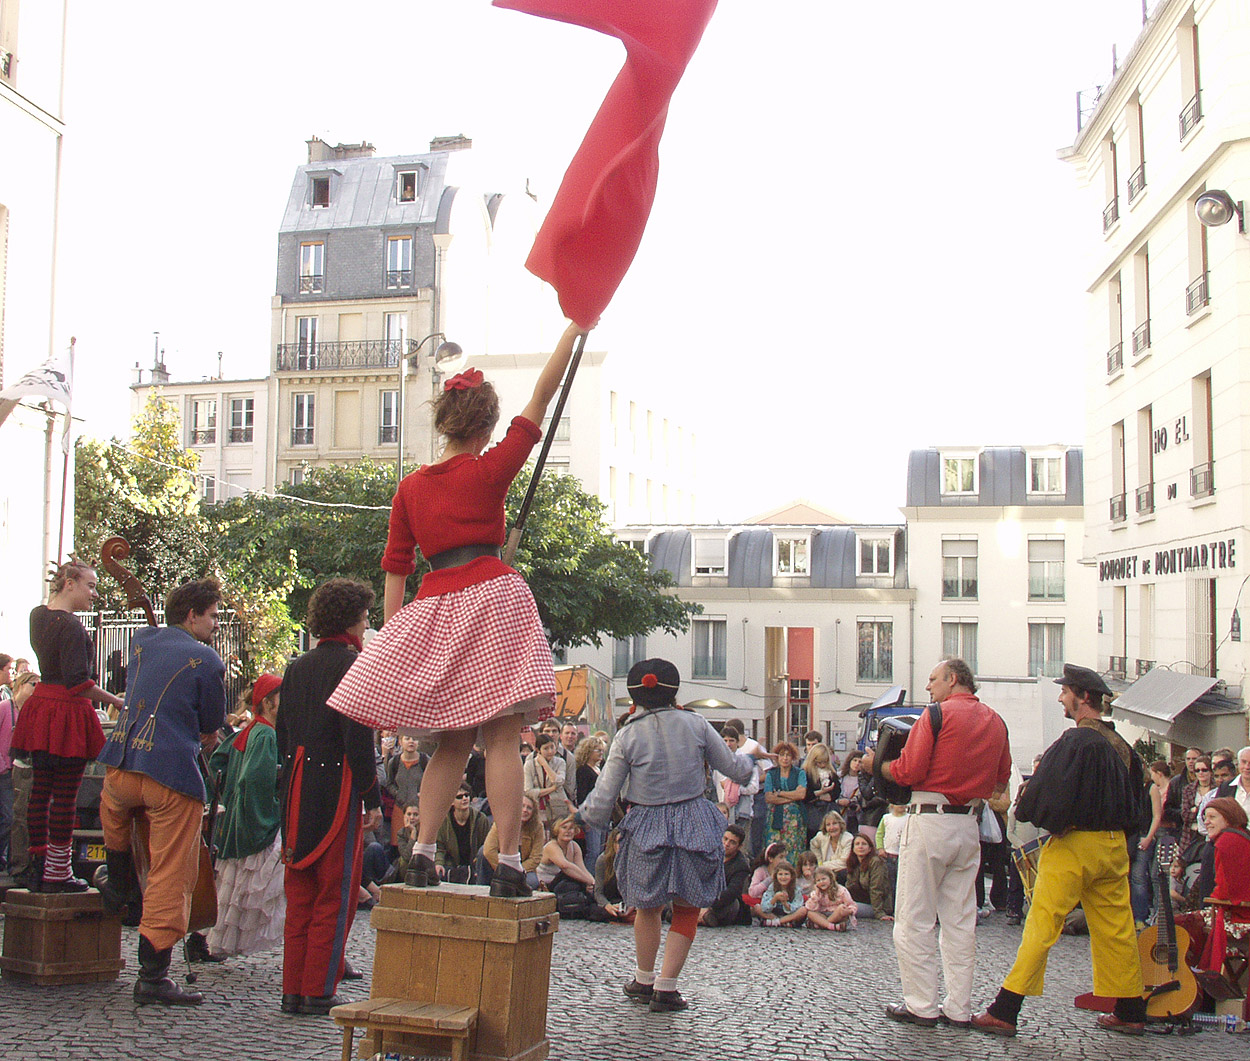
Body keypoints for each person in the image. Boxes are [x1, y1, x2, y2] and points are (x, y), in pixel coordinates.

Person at [326, 323, 590, 900]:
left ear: (445, 419)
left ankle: (421, 854)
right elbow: (541, 401)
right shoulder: (490, 471)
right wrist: (572, 330)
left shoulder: (410, 488)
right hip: (493, 598)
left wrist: (395, 637)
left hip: (435, 602)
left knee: (450, 741)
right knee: (500, 737)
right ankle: (510, 863)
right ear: (486, 424)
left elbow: (395, 569)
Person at [972, 664, 1150, 1038]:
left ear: (1083, 697)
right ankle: (1131, 1008)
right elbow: (1141, 800)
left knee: (1042, 923)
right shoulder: (1123, 747)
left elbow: (1041, 797)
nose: (1060, 698)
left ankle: (1005, 1008)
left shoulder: (1074, 742)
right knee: (1117, 929)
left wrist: (1033, 813)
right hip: (1114, 846)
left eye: (1066, 691)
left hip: (1074, 847)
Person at [577, 659, 761, 1012]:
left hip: (646, 824)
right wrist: (751, 759)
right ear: (673, 691)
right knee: (688, 906)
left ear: (636, 695)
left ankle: (644, 979)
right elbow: (733, 768)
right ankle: (667, 987)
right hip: (693, 819)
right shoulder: (697, 724)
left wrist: (586, 817)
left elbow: (604, 795)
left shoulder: (628, 733)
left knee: (647, 905)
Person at [96, 577, 226, 1006]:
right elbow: (211, 722)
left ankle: (119, 887)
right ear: (192, 615)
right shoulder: (206, 659)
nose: (214, 623)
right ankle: (152, 976)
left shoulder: (141, 641)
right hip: (170, 775)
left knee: (116, 823)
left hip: (120, 765)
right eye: (211, 616)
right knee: (172, 873)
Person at [861, 657, 1011, 1029]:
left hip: (929, 820)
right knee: (961, 922)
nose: (928, 687)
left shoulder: (935, 716)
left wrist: (875, 767)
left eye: (933, 679)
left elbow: (908, 771)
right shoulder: (996, 721)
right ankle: (958, 1007)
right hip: (969, 826)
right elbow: (1000, 781)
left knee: (914, 918)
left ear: (953, 679)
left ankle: (921, 1005)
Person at [277, 579, 383, 1017]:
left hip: (296, 786)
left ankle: (292, 988)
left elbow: (283, 731)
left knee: (300, 893)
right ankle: (319, 989)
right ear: (351, 619)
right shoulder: (354, 666)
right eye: (364, 616)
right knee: (333, 895)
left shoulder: (296, 667)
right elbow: (357, 740)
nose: (368, 623)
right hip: (335, 785)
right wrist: (371, 796)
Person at [12, 560, 125, 890]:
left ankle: (38, 867)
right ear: (70, 584)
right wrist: (117, 701)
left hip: (42, 707)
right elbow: (78, 683)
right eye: (90, 585)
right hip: (67, 712)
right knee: (64, 795)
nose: (94, 593)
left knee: (40, 792)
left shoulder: (38, 615)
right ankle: (58, 872)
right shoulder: (73, 628)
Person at [206, 673, 285, 957]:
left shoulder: (249, 730)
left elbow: (218, 761)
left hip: (237, 816)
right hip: (254, 817)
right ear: (268, 703)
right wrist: (271, 811)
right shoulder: (265, 734)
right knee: (252, 883)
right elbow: (255, 779)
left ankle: (209, 941)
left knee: (234, 882)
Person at [1173, 797, 1250, 1002]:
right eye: (1205, 817)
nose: (1206, 822)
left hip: (1237, 916)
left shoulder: (1225, 842)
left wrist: (1212, 900)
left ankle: (1192, 990)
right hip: (1238, 912)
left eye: (1213, 817)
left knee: (1178, 925)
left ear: (1228, 818)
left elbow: (1225, 891)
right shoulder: (1242, 837)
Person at [0, 670, 37, 874]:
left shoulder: (33, 710)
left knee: (19, 816)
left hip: (24, 769)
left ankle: (17, 861)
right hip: (7, 770)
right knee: (9, 817)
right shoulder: (6, 708)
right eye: (33, 684)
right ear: (21, 685)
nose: (36, 689)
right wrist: (4, 765)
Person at [480, 794, 544, 891]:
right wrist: (504, 872)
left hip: (523, 869)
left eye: (529, 808)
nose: (525, 810)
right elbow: (489, 850)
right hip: (499, 866)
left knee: (532, 882)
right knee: (481, 853)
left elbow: (536, 857)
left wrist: (516, 872)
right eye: (522, 806)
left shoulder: (538, 827)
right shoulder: (501, 822)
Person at [763, 741, 807, 865]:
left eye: (788, 755)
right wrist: (793, 797)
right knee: (774, 849)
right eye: (782, 755)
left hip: (795, 820)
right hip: (775, 818)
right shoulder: (771, 774)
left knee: (793, 850)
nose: (785, 758)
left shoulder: (800, 773)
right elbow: (769, 798)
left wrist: (780, 793)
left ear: (793, 757)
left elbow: (801, 794)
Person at [436, 783, 490, 883]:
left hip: (474, 865)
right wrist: (438, 863)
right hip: (451, 866)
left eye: (466, 795)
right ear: (451, 801)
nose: (464, 798)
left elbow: (486, 845)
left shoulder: (481, 819)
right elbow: (440, 846)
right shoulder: (443, 821)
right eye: (459, 797)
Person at [700, 824, 751, 927]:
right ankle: (701, 917)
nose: (726, 844)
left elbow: (732, 892)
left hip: (720, 902)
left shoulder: (741, 866)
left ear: (739, 846)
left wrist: (709, 905)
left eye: (732, 842)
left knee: (733, 904)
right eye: (725, 839)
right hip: (702, 897)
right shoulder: (709, 853)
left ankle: (703, 916)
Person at [524, 733, 571, 837]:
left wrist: (545, 765)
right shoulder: (529, 764)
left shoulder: (560, 762)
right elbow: (528, 791)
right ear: (538, 750)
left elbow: (558, 781)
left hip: (558, 807)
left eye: (552, 747)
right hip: (539, 808)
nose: (550, 751)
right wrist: (552, 789)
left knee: (558, 836)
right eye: (546, 748)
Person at [575, 736, 606, 869]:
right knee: (593, 852)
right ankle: (589, 883)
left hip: (603, 815)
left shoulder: (599, 769)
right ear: (588, 751)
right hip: (591, 817)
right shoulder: (583, 770)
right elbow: (582, 796)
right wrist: (585, 819)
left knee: (601, 853)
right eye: (597, 750)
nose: (601, 753)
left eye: (602, 750)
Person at [845, 833, 892, 921]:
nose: (860, 846)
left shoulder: (876, 862)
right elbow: (849, 888)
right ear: (853, 849)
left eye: (864, 844)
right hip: (858, 901)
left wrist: (879, 914)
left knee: (843, 909)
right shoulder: (853, 863)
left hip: (875, 906)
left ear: (870, 848)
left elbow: (876, 889)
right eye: (857, 844)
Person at [801, 742, 837, 841]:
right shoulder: (806, 773)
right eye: (819, 762)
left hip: (828, 810)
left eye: (825, 762)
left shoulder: (831, 772)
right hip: (812, 813)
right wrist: (820, 794)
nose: (822, 765)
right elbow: (805, 795)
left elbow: (837, 791)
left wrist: (830, 796)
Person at [755, 860, 807, 927]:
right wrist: (774, 899)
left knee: (803, 910)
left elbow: (797, 907)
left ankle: (779, 921)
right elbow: (764, 907)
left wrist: (785, 903)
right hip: (773, 913)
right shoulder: (772, 887)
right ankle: (778, 920)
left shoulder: (796, 889)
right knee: (757, 907)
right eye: (780, 874)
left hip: (789, 915)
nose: (783, 877)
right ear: (776, 876)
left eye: (786, 874)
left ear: (791, 876)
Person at [805, 865, 857, 931]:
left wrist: (849, 911)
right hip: (823, 915)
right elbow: (809, 907)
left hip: (837, 915)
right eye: (818, 880)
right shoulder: (816, 893)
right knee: (810, 913)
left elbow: (852, 905)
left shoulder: (841, 890)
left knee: (841, 908)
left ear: (830, 878)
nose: (821, 882)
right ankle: (831, 926)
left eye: (824, 879)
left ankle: (822, 925)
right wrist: (816, 896)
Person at [810, 810, 853, 879]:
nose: (832, 827)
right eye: (828, 825)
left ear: (840, 824)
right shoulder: (821, 836)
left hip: (841, 874)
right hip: (824, 873)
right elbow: (813, 845)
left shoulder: (848, 839)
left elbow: (844, 862)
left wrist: (823, 866)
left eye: (835, 823)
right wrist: (819, 861)